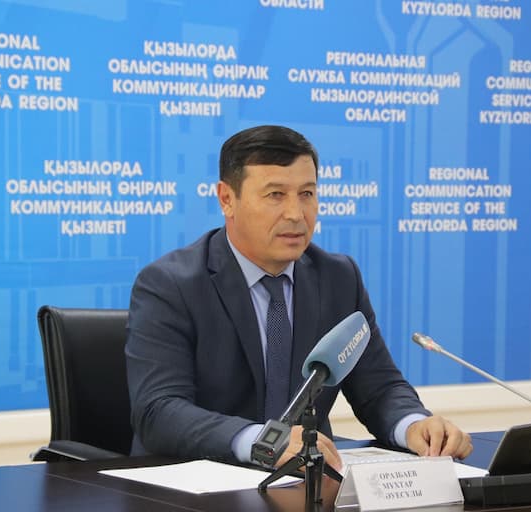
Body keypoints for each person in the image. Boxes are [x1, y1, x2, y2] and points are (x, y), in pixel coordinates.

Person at [125, 125, 472, 470]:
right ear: (227, 199)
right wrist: (263, 441)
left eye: (307, 193)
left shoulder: (338, 277)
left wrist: (413, 425)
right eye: (275, 195)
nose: (295, 213)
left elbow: (379, 387)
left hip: (306, 483)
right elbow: (159, 411)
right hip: (197, 482)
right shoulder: (170, 285)